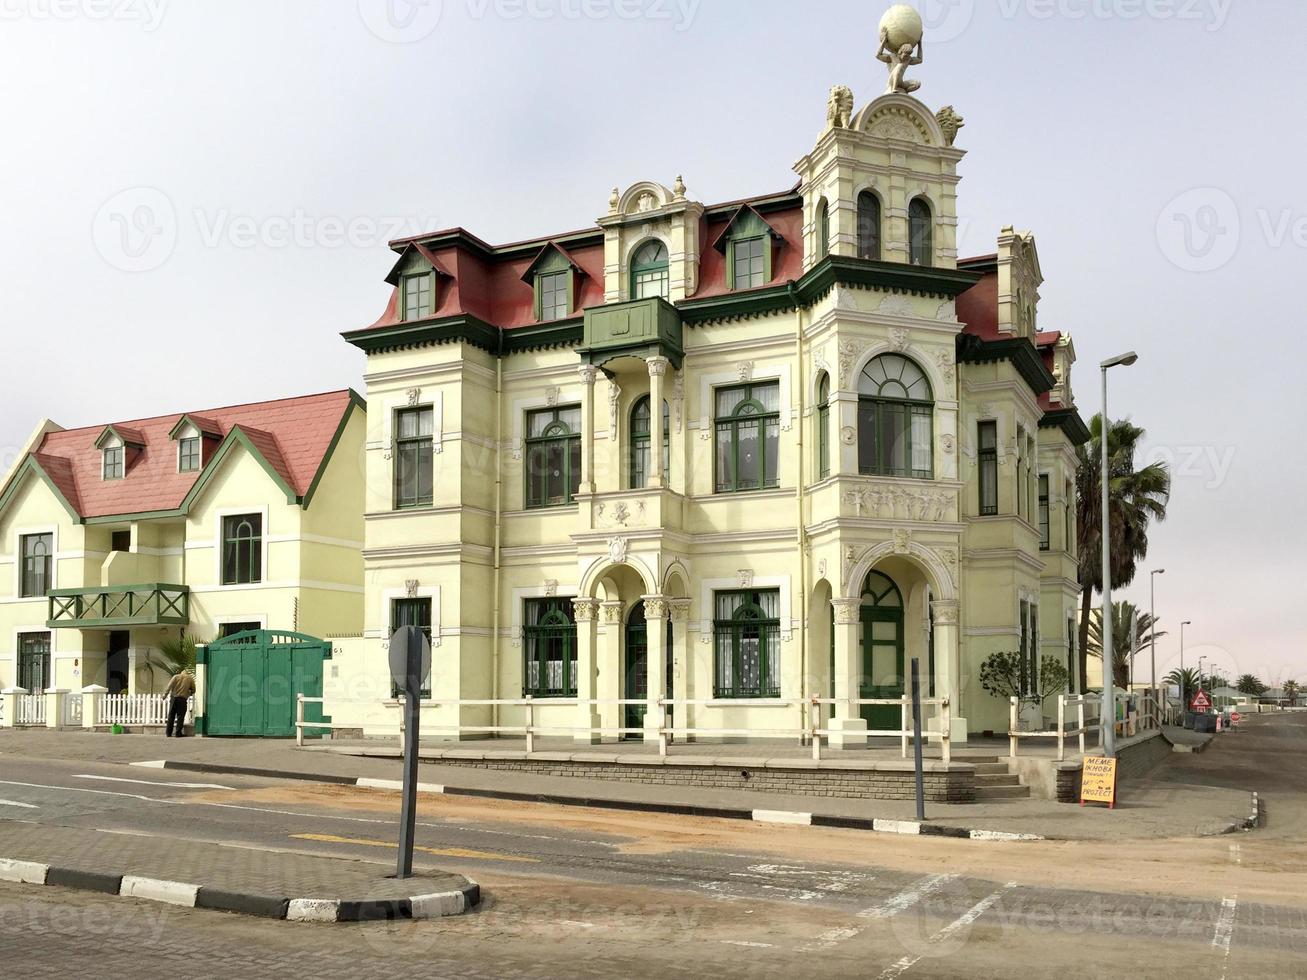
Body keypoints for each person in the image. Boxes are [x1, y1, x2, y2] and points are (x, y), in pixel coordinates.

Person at [164, 670, 196, 738]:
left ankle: (168, 733)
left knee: (171, 716)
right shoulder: (189, 678)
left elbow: (169, 686)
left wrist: (165, 695)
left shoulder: (175, 677)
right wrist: (189, 692)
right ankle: (178, 733)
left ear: (181, 673)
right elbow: (194, 690)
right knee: (180, 716)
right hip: (182, 699)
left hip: (173, 698)